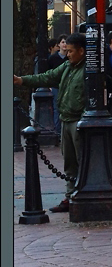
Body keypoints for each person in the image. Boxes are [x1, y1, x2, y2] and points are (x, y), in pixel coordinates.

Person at [14, 32, 88, 213]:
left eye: (71, 51)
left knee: (83, 160)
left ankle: (83, 195)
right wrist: (22, 80)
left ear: (82, 51)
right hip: (66, 119)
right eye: (67, 51)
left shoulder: (87, 70)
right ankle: (71, 196)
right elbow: (47, 77)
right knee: (69, 161)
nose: (68, 54)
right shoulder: (68, 67)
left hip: (79, 121)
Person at [44, 35, 69, 137]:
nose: (65, 44)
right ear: (59, 44)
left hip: (67, 86)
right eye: (63, 42)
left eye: (66, 42)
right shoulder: (53, 58)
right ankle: (58, 132)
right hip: (56, 87)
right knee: (56, 109)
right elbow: (48, 72)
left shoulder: (70, 57)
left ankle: (65, 132)